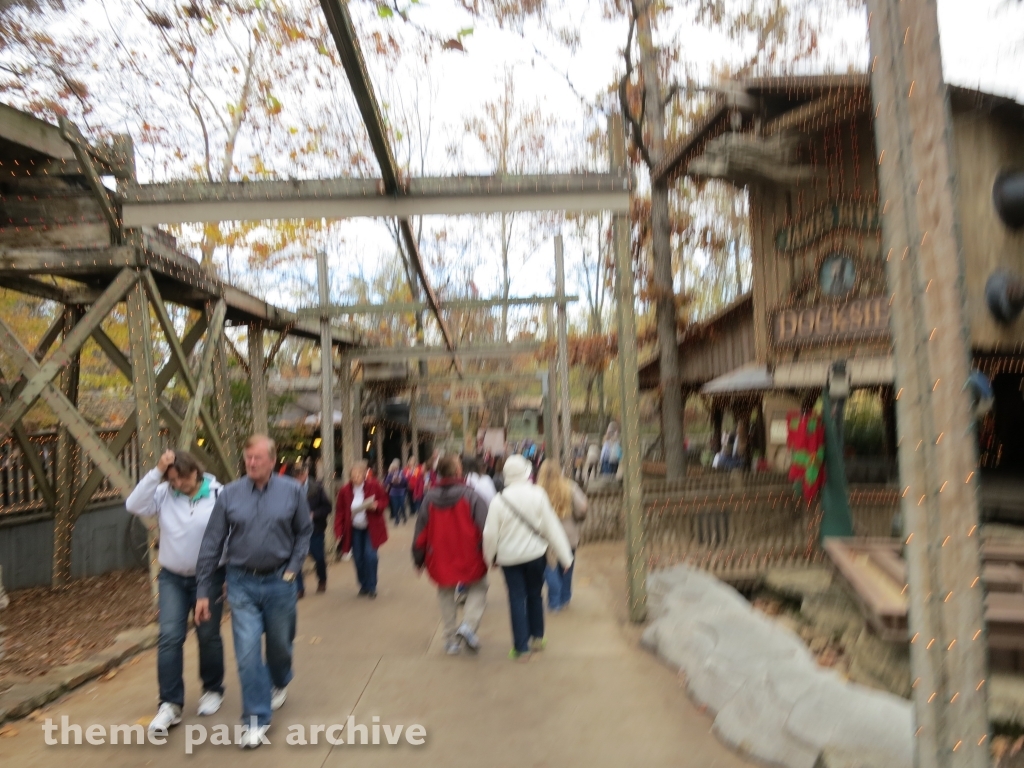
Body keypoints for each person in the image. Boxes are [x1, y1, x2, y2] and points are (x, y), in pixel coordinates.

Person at [195, 435, 312, 749]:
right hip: (241, 582)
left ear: (273, 461)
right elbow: (212, 543)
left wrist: (293, 567)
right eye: (248, 457)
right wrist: (203, 591)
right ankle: (256, 720)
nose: (252, 462)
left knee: (279, 647)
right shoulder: (230, 495)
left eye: (258, 458)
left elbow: (304, 531)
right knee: (247, 653)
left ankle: (280, 679)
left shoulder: (292, 491)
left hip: (279, 581)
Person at [126, 449, 225, 736]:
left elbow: (229, 535)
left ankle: (212, 688)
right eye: (172, 480)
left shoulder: (218, 494)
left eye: (182, 478)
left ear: (195, 471)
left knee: (207, 634)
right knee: (169, 636)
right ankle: (170, 703)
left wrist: (228, 574)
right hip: (172, 577)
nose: (178, 484)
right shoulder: (164, 493)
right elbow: (134, 504)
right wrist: (158, 471)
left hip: (209, 576)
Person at [483, 454, 573, 661]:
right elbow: (552, 528)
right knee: (535, 594)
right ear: (526, 472)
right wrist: (565, 557)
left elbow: (489, 534)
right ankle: (538, 637)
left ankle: (521, 647)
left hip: (508, 558)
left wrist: (490, 558)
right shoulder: (538, 494)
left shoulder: (499, 500)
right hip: (535, 555)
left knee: (516, 598)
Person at [412, 454, 489, 655]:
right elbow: (486, 527)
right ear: (457, 471)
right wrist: (492, 553)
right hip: (469, 554)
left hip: (439, 556)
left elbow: (421, 532)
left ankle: (451, 640)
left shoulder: (429, 498)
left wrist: (418, 559)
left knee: (445, 594)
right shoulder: (471, 496)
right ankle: (468, 625)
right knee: (479, 586)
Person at [537, 460, 588, 612]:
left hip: (546, 536)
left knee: (549, 567)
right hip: (568, 533)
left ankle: (554, 601)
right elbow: (583, 506)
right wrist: (576, 516)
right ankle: (565, 597)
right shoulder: (569, 486)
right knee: (567, 566)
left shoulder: (537, 490)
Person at [335, 461, 389, 598]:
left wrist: (376, 505)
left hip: (371, 528)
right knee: (358, 558)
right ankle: (363, 584)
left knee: (370, 556)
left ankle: (372, 586)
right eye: (353, 475)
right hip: (354, 529)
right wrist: (338, 531)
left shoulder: (374, 485)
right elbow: (340, 512)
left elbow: (384, 500)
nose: (356, 477)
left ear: (365, 474)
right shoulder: (344, 491)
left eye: (359, 474)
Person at [288, 460, 332, 596]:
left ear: (306, 473)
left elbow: (327, 507)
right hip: (295, 530)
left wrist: (315, 514)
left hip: (315, 529)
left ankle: (322, 579)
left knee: (318, 557)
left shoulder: (316, 488)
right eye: (295, 475)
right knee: (296, 559)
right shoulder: (288, 489)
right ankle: (299, 588)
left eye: (301, 474)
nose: (298, 477)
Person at [384, 458, 409, 525]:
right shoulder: (390, 474)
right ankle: (396, 519)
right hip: (393, 492)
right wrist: (391, 481)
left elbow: (405, 481)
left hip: (401, 491)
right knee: (395, 507)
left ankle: (404, 516)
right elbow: (386, 482)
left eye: (396, 468)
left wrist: (400, 480)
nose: (394, 469)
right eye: (393, 468)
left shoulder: (401, 472)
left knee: (402, 505)